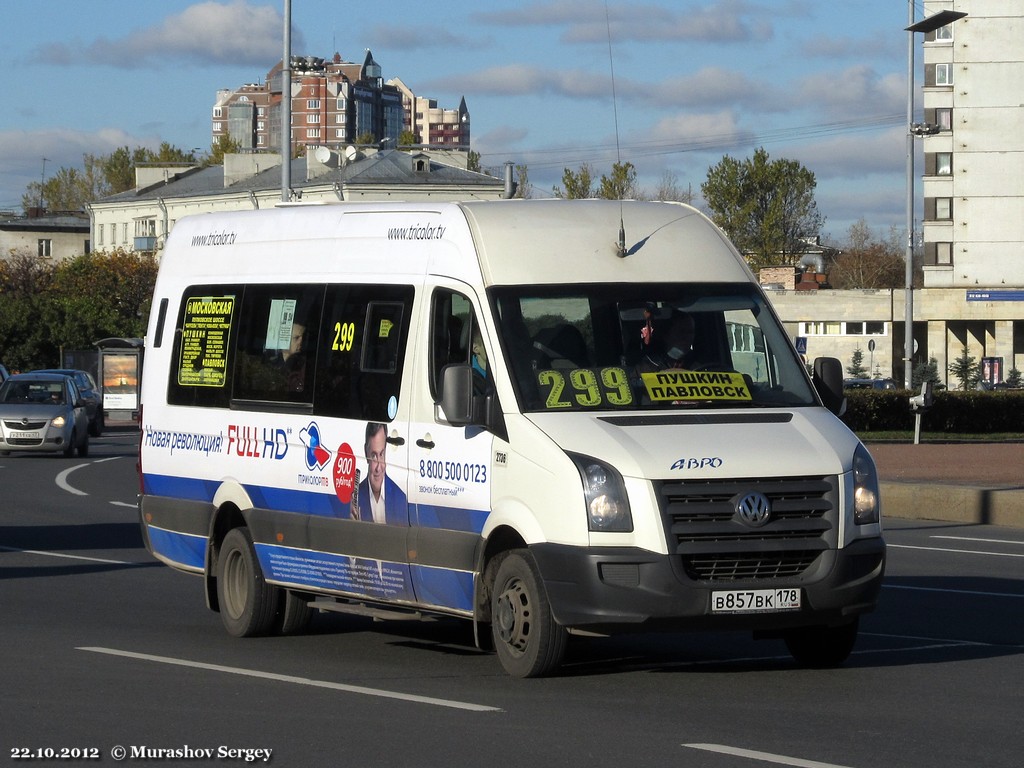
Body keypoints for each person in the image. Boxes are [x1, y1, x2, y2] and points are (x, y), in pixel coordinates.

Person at [355, 421, 407, 525]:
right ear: (366, 453)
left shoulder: (400, 498)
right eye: (373, 456)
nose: (379, 467)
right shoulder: (355, 499)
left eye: (382, 454)